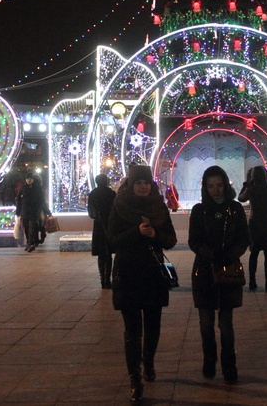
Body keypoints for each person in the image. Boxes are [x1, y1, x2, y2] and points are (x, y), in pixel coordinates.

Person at [107, 164, 177, 404]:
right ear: (131, 184)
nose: (144, 186)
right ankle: (135, 378)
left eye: (146, 182)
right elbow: (112, 241)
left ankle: (148, 361)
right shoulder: (119, 205)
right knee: (133, 329)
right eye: (139, 183)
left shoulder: (158, 206)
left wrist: (156, 235)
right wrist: (136, 232)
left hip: (152, 274)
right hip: (128, 274)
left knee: (153, 324)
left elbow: (171, 239)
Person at [189, 165, 249, 385]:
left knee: (226, 322)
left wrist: (230, 255)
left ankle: (229, 364)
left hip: (228, 272)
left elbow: (244, 238)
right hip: (204, 271)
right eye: (211, 186)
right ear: (205, 187)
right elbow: (194, 241)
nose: (215, 190)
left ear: (225, 185)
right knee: (205, 322)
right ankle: (209, 360)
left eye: (219, 185)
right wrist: (211, 255)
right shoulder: (198, 210)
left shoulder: (235, 209)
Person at [238, 165, 267, 292]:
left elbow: (241, 198)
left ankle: (252, 281)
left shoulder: (252, 188)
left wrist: (247, 184)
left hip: (255, 223)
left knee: (254, 254)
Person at [87, 173, 116, 289]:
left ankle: (102, 279)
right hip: (109, 224)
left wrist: (96, 216)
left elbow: (91, 211)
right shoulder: (111, 193)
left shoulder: (93, 193)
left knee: (101, 254)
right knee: (108, 253)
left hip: (99, 225)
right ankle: (107, 279)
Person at [16, 173, 47, 252]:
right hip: (25, 211)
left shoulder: (37, 188)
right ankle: (29, 243)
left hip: (34, 211)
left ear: (32, 179)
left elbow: (42, 201)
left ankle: (31, 243)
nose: (28, 180)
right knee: (26, 228)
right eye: (27, 179)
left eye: (30, 179)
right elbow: (18, 200)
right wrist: (18, 212)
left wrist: (45, 210)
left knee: (32, 228)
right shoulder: (23, 188)